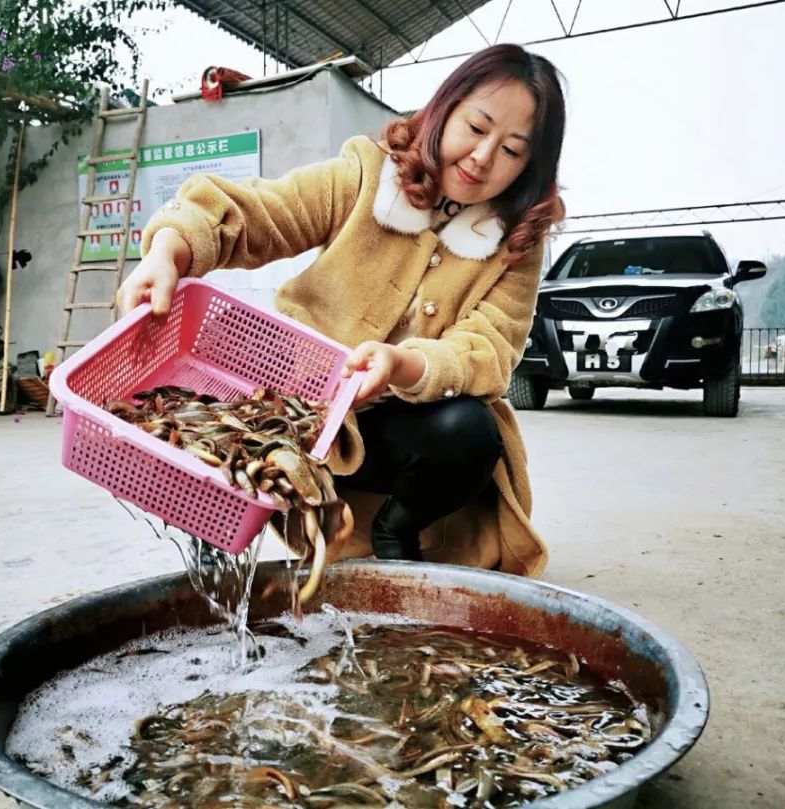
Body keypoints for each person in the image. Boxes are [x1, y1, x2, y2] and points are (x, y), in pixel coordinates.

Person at [118, 44, 566, 577]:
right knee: (205, 432)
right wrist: (170, 249)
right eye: (476, 126)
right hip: (299, 405)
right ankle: (219, 557)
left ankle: (395, 529)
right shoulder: (367, 174)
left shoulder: (516, 243)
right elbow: (262, 212)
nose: (482, 156)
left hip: (397, 432)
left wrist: (404, 366)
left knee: (469, 432)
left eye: (512, 150)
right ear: (445, 110)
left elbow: (490, 347)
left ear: (530, 167)